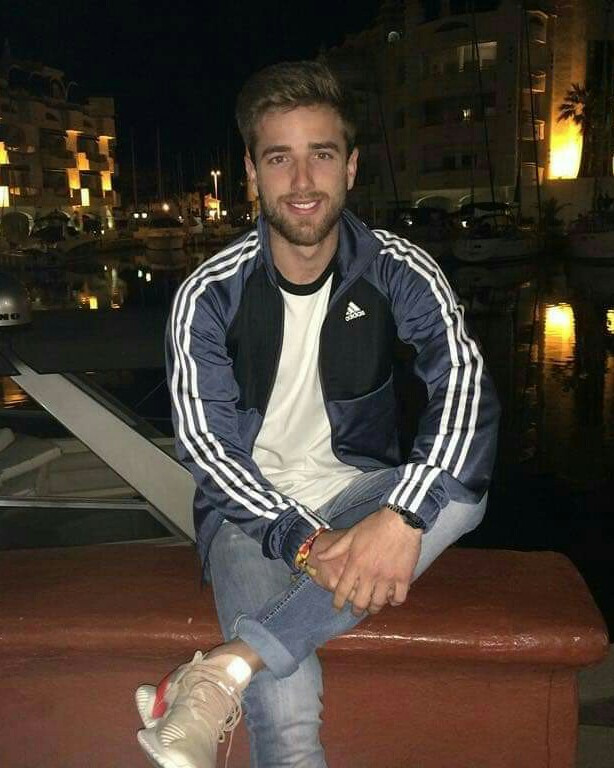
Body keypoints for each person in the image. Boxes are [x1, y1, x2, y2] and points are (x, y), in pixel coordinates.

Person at [135, 60, 500, 768]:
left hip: (359, 491)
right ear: (252, 173)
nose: (302, 182)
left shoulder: (399, 269)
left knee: (460, 495)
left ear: (351, 167)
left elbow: (464, 385)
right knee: (291, 714)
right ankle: (238, 670)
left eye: (322, 155)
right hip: (250, 515)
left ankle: (222, 670)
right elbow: (208, 448)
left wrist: (400, 519)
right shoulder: (209, 294)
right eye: (280, 159)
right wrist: (303, 540)